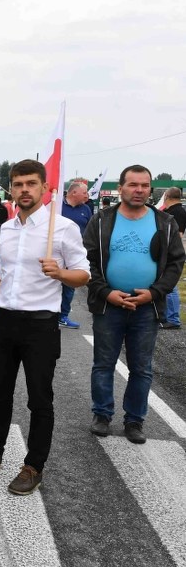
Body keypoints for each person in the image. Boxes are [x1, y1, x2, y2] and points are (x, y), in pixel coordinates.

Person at [0, 159, 90, 495]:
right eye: (18, 184)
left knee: (39, 399)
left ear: (44, 188)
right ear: (12, 189)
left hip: (40, 326)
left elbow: (84, 273)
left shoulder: (61, 229)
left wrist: (60, 272)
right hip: (4, 321)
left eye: (31, 183)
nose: (25, 190)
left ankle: (34, 466)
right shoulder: (8, 229)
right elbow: (4, 280)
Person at [85, 166, 185, 443]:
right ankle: (102, 414)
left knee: (141, 368)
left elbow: (176, 263)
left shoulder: (165, 221)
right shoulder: (103, 220)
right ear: (121, 188)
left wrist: (154, 293)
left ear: (150, 189)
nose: (139, 190)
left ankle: (134, 420)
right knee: (103, 363)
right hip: (109, 306)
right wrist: (105, 292)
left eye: (144, 185)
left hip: (146, 307)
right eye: (133, 185)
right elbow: (87, 261)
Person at [58, 182, 94, 329]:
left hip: (75, 255)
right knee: (50, 284)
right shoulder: (57, 206)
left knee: (69, 287)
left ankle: (62, 316)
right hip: (56, 254)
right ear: (74, 193)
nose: (87, 196)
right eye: (85, 193)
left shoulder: (86, 209)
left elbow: (90, 231)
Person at [160, 187, 186, 329]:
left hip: (170, 254)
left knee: (171, 287)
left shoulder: (177, 212)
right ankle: (165, 316)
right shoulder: (172, 211)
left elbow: (178, 234)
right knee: (165, 286)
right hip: (165, 253)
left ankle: (173, 319)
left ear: (167, 196)